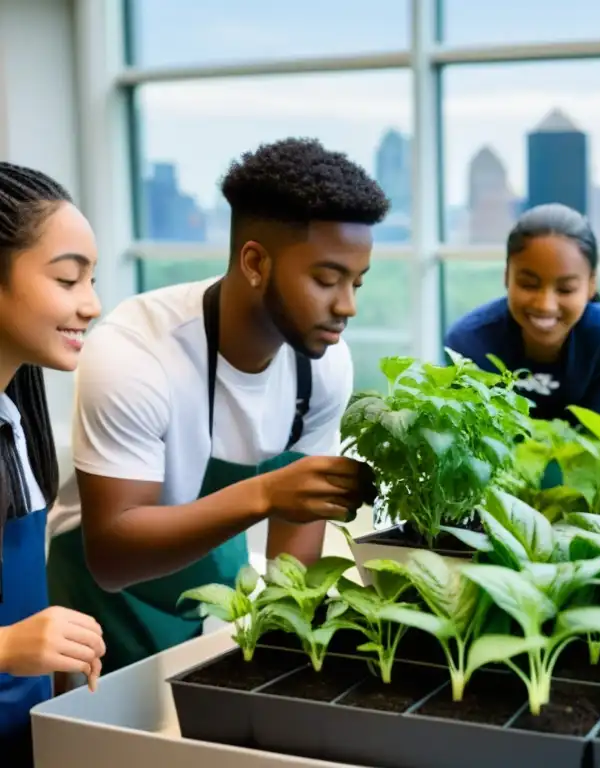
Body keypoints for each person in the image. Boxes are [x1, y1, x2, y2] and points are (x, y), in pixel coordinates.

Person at [46, 138, 388, 675]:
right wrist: (267, 492)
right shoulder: (135, 352)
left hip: (211, 580)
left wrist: (287, 651)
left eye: (357, 282)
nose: (347, 306)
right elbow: (113, 557)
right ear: (255, 261)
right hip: (103, 608)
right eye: (326, 280)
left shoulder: (323, 363)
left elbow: (291, 562)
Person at [0, 162, 106, 765]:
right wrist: (9, 645)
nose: (90, 305)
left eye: (91, 280)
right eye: (68, 280)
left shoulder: (18, 423)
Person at [445, 203, 600, 423]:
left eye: (565, 289)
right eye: (528, 284)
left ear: (591, 285)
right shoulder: (468, 341)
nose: (545, 305)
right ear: (507, 275)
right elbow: (469, 440)